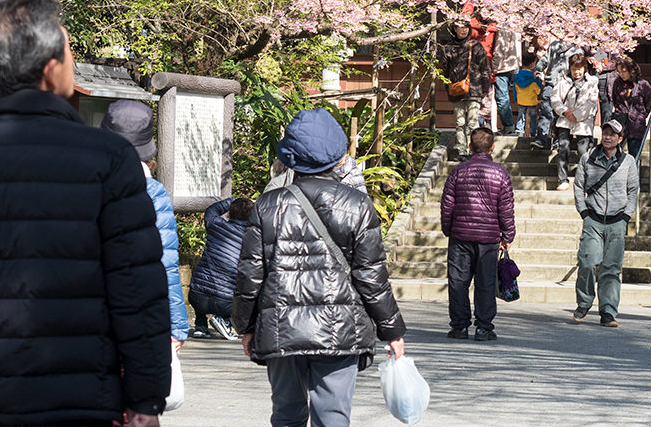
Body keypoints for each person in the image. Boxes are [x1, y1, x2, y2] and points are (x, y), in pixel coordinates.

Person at [0, 0, 170, 426]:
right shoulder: (108, 159)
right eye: (68, 50)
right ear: (49, 68)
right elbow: (135, 289)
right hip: (80, 394)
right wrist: (145, 398)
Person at [234, 107, 407, 427]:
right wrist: (392, 330)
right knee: (332, 418)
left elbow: (250, 275)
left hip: (281, 328)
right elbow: (371, 276)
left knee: (286, 416)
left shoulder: (267, 206)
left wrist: (245, 326)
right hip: (339, 330)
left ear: (291, 155)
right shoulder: (357, 205)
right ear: (337, 154)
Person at [101, 99, 191, 359]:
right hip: (135, 310)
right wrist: (176, 324)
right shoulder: (153, 192)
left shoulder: (80, 181)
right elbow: (165, 261)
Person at [440, 126, 516, 340]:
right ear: (492, 148)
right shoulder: (500, 173)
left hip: (461, 236)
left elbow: (447, 205)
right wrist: (507, 235)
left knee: (458, 282)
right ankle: (484, 327)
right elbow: (506, 208)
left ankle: (459, 326)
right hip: (488, 238)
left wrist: (448, 229)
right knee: (486, 283)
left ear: (471, 147)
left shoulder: (458, 171)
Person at [572, 115, 639, 327]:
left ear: (620, 138)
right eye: (606, 132)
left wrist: (627, 215)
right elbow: (578, 186)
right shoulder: (588, 158)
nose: (608, 136)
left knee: (612, 268)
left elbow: (633, 190)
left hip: (618, 220)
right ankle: (584, 302)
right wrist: (583, 212)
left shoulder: (628, 162)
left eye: (612, 134)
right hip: (593, 218)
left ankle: (608, 311)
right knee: (588, 262)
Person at [188, 196, 254, 340]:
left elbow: (211, 210)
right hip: (224, 303)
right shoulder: (251, 238)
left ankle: (200, 326)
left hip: (196, 297)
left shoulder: (216, 225)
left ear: (229, 213)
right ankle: (225, 321)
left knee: (202, 279)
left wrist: (233, 200)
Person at [441, 18, 492, 159]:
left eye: (466, 27)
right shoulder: (448, 48)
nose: (463, 30)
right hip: (456, 90)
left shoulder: (475, 46)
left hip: (474, 89)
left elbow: (485, 68)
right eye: (460, 27)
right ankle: (462, 151)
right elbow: (445, 71)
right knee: (460, 122)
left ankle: (474, 151)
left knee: (473, 122)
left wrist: (484, 89)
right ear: (454, 29)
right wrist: (448, 87)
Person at [552, 52, 599, 191]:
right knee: (563, 148)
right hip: (564, 120)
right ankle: (562, 179)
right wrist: (565, 111)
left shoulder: (592, 82)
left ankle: (585, 178)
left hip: (583, 122)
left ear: (584, 68)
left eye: (579, 69)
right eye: (574, 69)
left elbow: (591, 102)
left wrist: (577, 115)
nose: (576, 72)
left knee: (583, 150)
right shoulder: (562, 81)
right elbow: (555, 99)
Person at [535, 35, 577, 148]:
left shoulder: (577, 50)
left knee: (561, 113)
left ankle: (558, 140)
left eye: (571, 34)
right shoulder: (554, 45)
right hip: (551, 82)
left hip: (565, 85)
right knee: (545, 110)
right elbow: (545, 59)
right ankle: (541, 139)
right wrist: (538, 68)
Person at [610, 55, 651, 157]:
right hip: (620, 120)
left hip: (636, 123)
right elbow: (614, 99)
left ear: (631, 70)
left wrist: (641, 115)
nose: (622, 75)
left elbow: (648, 103)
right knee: (615, 153)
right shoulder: (617, 83)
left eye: (624, 71)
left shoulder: (643, 84)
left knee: (634, 153)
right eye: (619, 72)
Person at [490, 25, 521, 134]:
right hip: (510, 65)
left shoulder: (503, 27)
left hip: (502, 67)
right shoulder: (514, 24)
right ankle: (508, 126)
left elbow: (499, 47)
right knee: (503, 96)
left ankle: (508, 126)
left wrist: (494, 65)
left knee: (501, 97)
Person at [514, 50, 543, 138]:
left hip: (521, 99)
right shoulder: (534, 76)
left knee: (520, 116)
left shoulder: (517, 75)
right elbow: (538, 90)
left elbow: (515, 89)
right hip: (531, 100)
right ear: (532, 64)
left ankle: (519, 131)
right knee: (533, 117)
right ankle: (533, 132)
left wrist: (516, 98)